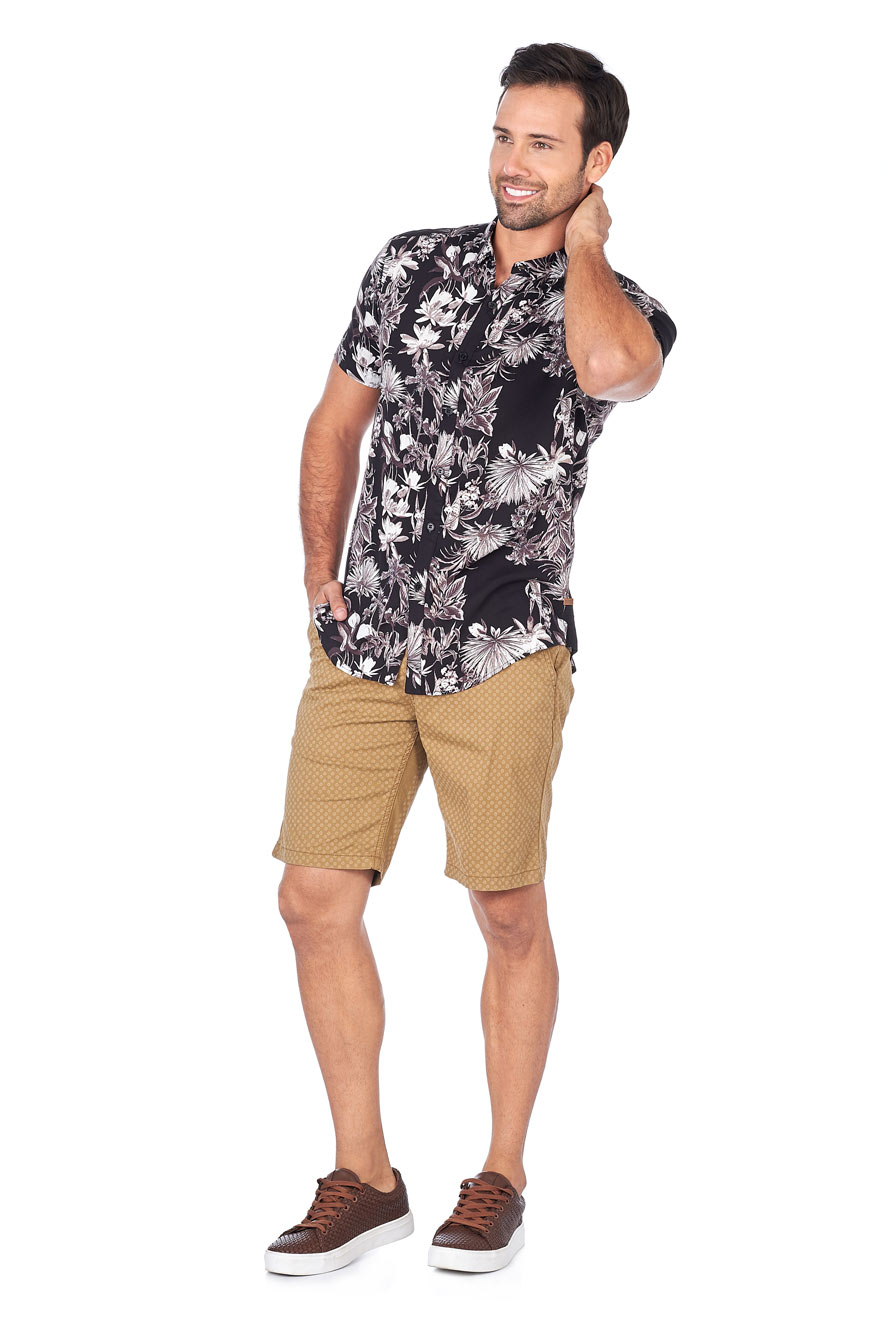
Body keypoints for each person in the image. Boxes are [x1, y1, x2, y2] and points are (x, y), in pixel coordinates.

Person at [265, 40, 677, 1277]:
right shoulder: (409, 265)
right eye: (503, 135)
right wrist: (319, 567)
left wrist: (584, 248)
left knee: (504, 908)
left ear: (596, 162)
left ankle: (499, 1173)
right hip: (368, 634)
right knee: (312, 896)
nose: (511, 162)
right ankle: (364, 1175)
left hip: (502, 641)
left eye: (542, 144)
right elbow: (335, 420)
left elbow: (611, 372)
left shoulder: (617, 305)